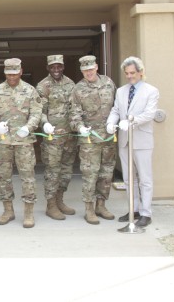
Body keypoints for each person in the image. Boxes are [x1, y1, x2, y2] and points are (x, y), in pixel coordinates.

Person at [0, 58, 42, 228]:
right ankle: (8, 210)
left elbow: (36, 113)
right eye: (9, 74)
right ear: (5, 73)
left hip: (24, 141)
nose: (12, 77)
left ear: (20, 71)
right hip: (3, 142)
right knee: (3, 177)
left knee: (28, 177)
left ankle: (29, 212)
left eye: (15, 73)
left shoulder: (30, 91)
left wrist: (28, 127)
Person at [106, 56, 159, 228]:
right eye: (127, 73)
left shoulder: (151, 91)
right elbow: (115, 110)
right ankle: (133, 209)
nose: (130, 76)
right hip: (124, 140)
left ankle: (146, 213)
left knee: (145, 178)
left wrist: (130, 121)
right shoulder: (121, 91)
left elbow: (149, 114)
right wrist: (110, 123)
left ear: (141, 72)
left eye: (133, 73)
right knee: (129, 179)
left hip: (141, 140)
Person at [70, 55, 117, 225]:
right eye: (85, 70)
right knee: (90, 174)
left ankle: (101, 205)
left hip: (109, 138)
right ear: (81, 71)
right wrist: (80, 127)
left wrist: (115, 122)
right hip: (89, 140)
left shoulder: (108, 83)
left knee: (106, 173)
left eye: (91, 69)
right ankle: (89, 209)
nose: (88, 73)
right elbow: (74, 114)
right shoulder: (78, 89)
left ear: (96, 67)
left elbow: (116, 107)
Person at [36, 54, 77, 220]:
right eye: (53, 67)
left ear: (63, 66)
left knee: (66, 172)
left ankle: (60, 200)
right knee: (53, 172)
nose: (56, 70)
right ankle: (51, 205)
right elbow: (39, 111)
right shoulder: (43, 86)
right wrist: (45, 123)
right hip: (52, 138)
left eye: (59, 66)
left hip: (69, 136)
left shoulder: (71, 84)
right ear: (48, 68)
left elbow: (76, 107)